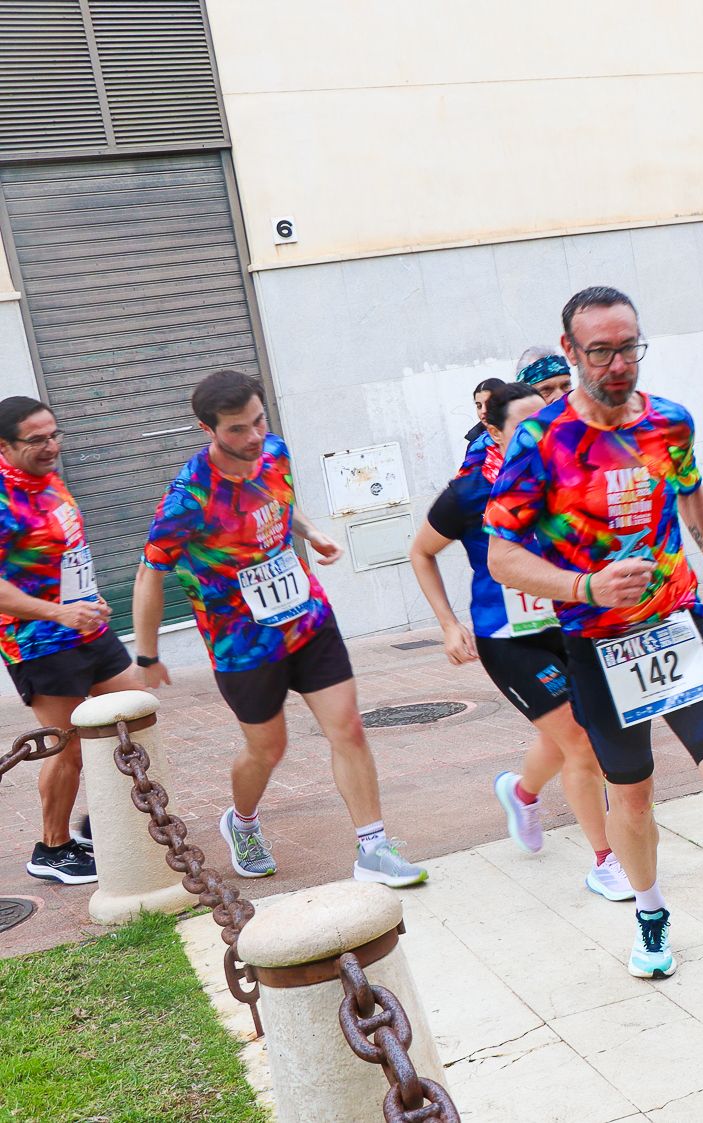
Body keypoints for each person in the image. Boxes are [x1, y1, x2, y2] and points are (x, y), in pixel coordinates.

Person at [486, 285, 703, 1008]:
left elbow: (692, 489)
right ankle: (649, 912)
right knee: (635, 796)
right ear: (570, 352)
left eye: (630, 346)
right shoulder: (538, 441)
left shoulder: (669, 421)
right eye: (602, 350)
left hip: (676, 624)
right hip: (596, 645)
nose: (620, 364)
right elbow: (501, 559)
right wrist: (585, 589)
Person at [132, 370, 427, 888]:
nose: (252, 437)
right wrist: (148, 654)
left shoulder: (274, 453)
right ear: (208, 429)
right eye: (237, 430)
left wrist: (313, 533)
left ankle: (373, 848)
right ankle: (241, 821)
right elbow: (148, 573)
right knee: (269, 749)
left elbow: (280, 507)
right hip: (243, 644)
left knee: (349, 729)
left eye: (257, 422)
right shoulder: (187, 498)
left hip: (307, 619)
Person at [409, 382, 631, 901]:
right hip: (508, 638)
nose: (540, 435)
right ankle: (606, 860)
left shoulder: (570, 472)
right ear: (493, 430)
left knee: (562, 739)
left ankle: (522, 792)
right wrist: (447, 623)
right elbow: (420, 552)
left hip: (572, 621)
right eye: (523, 427)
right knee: (580, 740)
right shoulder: (468, 494)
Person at [0, 397, 143, 885]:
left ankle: (91, 824)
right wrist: (59, 611)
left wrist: (91, 600)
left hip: (86, 627)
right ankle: (52, 848)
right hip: (36, 639)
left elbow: (64, 556)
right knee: (70, 747)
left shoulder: (49, 478)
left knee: (131, 714)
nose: (51, 446)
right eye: (36, 440)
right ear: (4, 446)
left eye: (54, 435)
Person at [457, 350, 572, 479]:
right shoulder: (482, 451)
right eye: (546, 390)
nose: (560, 397)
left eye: (566, 385)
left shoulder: (583, 429)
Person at [464, 377, 507, 455]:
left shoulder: (525, 433)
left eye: (489, 404)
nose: (483, 411)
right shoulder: (475, 445)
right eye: (479, 406)